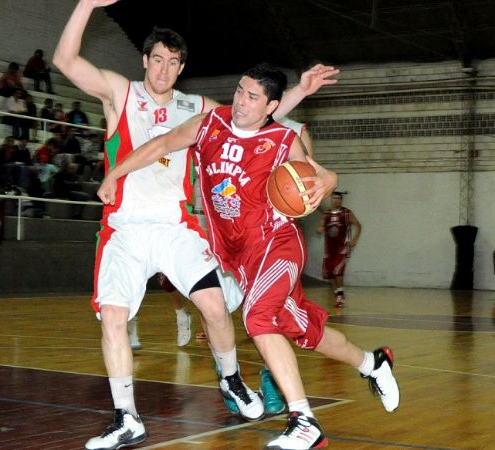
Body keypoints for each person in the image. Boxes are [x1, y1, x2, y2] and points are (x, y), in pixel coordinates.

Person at [54, 2, 337, 447]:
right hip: (124, 227)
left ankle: (231, 379)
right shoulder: (119, 92)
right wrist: (86, 5)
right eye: (157, 60)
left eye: (173, 62)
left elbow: (254, 119)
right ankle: (126, 417)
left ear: (181, 67)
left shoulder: (197, 107)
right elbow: (65, 61)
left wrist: (297, 91)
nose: (164, 69)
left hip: (176, 225)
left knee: (214, 306)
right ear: (144, 60)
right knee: (113, 319)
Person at [98, 63, 399, 450]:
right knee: (304, 331)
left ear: (271, 105)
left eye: (252, 97)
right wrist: (114, 175)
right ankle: (373, 364)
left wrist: (331, 180)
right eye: (239, 90)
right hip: (241, 258)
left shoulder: (281, 139)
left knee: (258, 318)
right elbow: (159, 145)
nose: (240, 100)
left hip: (277, 244)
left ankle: (304, 421)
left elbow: (320, 175)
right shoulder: (210, 124)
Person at [317, 191, 361, 307]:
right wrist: (319, 229)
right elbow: (320, 227)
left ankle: (340, 297)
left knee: (338, 272)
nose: (336, 201)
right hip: (329, 249)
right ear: (332, 200)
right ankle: (338, 293)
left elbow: (358, 225)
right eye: (334, 198)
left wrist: (354, 239)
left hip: (343, 248)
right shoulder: (326, 214)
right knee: (330, 274)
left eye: (338, 199)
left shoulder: (346, 213)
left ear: (341, 200)